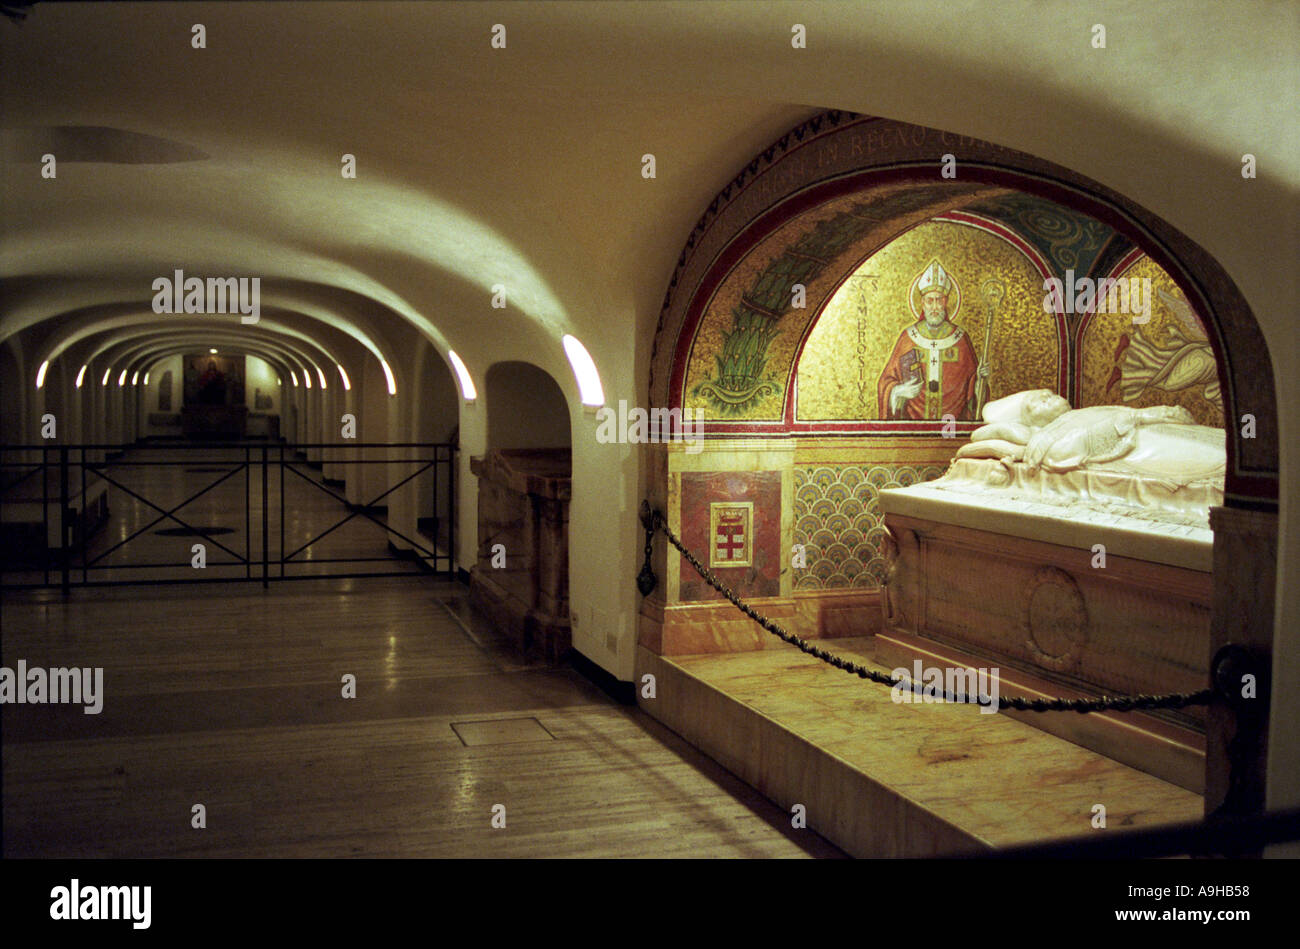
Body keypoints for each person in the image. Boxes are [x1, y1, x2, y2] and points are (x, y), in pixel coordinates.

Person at [877, 261, 989, 420]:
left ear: (946, 302)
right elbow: (886, 381)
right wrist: (898, 392)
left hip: (952, 425)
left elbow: (972, 390)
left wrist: (979, 382)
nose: (935, 307)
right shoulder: (908, 338)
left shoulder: (960, 339)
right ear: (922, 303)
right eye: (930, 301)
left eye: (939, 300)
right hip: (913, 426)